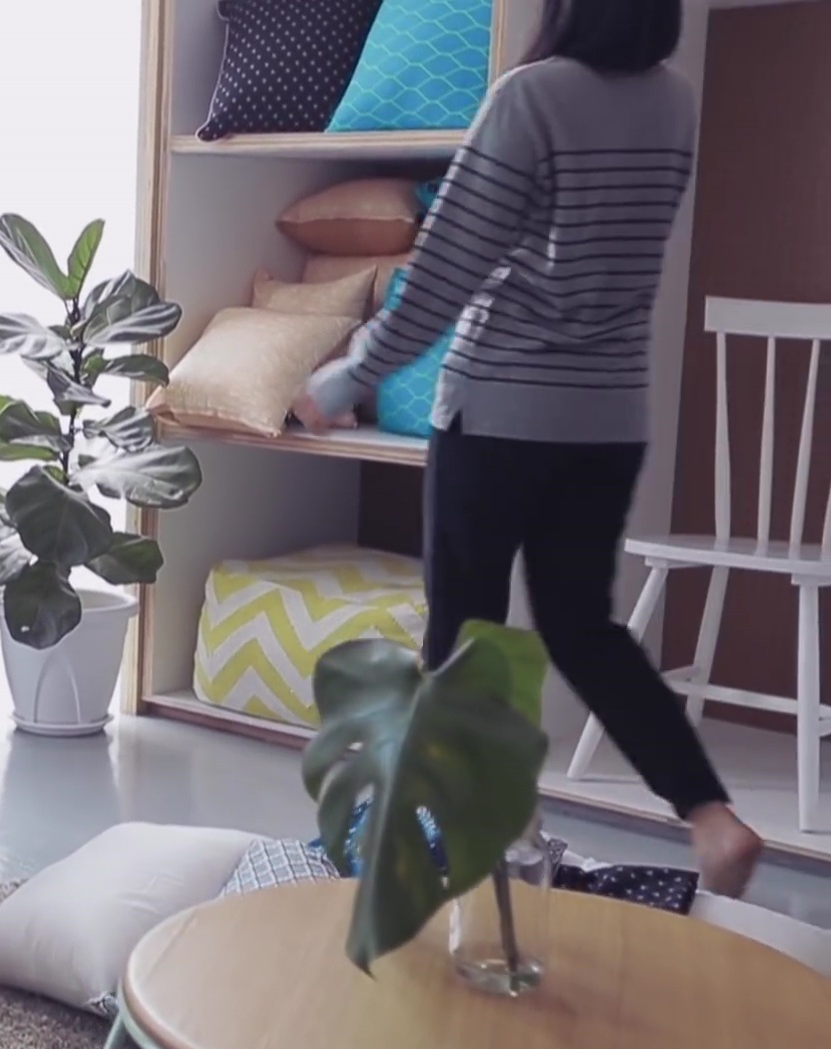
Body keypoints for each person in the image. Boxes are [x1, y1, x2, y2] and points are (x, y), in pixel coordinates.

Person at [291, 0, 765, 897]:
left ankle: (484, 835)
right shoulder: (673, 100)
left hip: (497, 413)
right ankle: (711, 817)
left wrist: (349, 378)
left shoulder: (531, 97)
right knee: (583, 629)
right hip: (607, 419)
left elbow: (446, 268)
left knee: (462, 634)